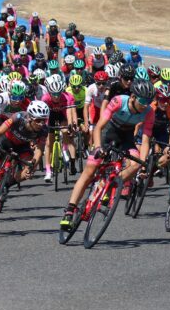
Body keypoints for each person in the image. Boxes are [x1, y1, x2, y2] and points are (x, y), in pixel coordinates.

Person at [59, 79, 156, 229]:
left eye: (148, 101)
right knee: (90, 171)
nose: (145, 105)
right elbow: (98, 127)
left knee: (136, 162)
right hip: (108, 132)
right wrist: (98, 148)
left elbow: (145, 140)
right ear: (133, 97)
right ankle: (70, 211)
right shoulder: (119, 101)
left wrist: (143, 165)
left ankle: (111, 185)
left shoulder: (149, 112)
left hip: (126, 137)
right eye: (142, 101)